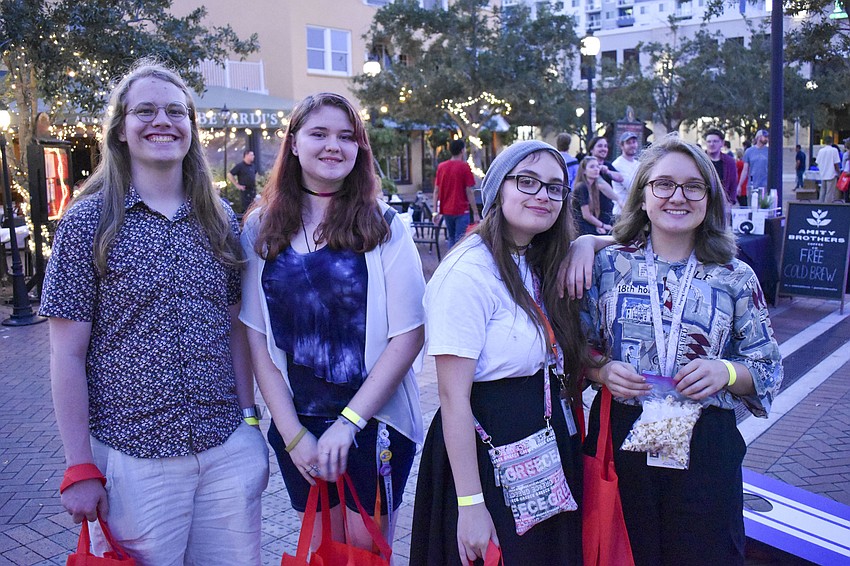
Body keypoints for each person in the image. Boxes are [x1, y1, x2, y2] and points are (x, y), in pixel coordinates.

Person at [40, 59, 269, 564]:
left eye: (175, 111)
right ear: (121, 130)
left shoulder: (219, 216)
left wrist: (250, 424)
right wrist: (79, 466)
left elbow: (235, 328)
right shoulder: (87, 223)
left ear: (191, 127)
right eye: (145, 110)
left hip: (226, 445)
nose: (161, 121)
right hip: (135, 455)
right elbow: (65, 354)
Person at [581, 134, 783, 566]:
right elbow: (577, 346)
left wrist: (726, 372)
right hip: (622, 437)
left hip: (705, 443)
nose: (678, 196)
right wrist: (601, 371)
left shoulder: (735, 276)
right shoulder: (606, 265)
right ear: (643, 194)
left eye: (694, 186)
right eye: (664, 184)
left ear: (709, 198)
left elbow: (767, 365)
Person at [240, 92, 425, 551]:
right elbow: (257, 341)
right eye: (319, 133)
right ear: (295, 144)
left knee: (364, 552)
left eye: (346, 136)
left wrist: (349, 422)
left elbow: (409, 335)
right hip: (298, 425)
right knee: (320, 553)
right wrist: (291, 434)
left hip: (373, 421)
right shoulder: (260, 228)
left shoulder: (383, 225)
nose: (333, 146)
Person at [410, 140, 589, 566]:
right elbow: (453, 397)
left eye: (554, 187)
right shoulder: (468, 273)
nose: (542, 195)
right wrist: (470, 503)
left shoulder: (538, 255)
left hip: (540, 451)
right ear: (497, 189)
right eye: (527, 181)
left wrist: (588, 244)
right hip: (488, 455)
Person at [434, 139, 480, 248]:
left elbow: (436, 190)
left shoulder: (441, 167)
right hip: (461, 209)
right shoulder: (464, 167)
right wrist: (475, 212)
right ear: (462, 150)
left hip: (446, 209)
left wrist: (435, 211)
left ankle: (450, 261)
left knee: (451, 238)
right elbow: (469, 191)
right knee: (461, 240)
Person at [572, 156, 619, 235]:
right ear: (584, 171)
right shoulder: (582, 187)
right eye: (592, 167)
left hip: (590, 226)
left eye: (597, 166)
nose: (596, 169)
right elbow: (586, 215)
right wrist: (603, 226)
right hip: (581, 228)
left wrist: (598, 226)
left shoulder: (594, 187)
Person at [704, 128, 738, 206]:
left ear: (722, 143)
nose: (712, 144)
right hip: (704, 202)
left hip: (723, 203)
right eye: (709, 141)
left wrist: (731, 202)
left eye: (715, 141)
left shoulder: (730, 162)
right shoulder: (700, 160)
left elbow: (733, 183)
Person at [611, 131, 641, 214]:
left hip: (635, 212)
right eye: (628, 143)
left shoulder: (638, 164)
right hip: (621, 213)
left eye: (634, 142)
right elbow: (632, 187)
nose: (632, 145)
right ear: (621, 146)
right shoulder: (617, 165)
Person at [737, 129, 769, 197]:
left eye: (767, 137)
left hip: (766, 185)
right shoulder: (749, 151)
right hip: (752, 185)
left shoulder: (769, 151)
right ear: (758, 137)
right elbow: (745, 170)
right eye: (765, 137)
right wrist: (739, 185)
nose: (767, 139)